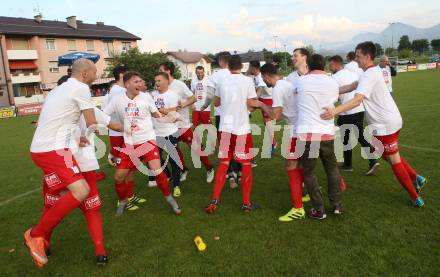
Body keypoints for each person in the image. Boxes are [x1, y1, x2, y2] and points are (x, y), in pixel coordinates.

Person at [321, 41, 427, 207]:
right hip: (386, 121)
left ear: (367, 56)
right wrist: (331, 91)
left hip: (385, 123)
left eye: (358, 56)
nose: (355, 59)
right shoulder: (367, 73)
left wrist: (334, 110)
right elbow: (351, 86)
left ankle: (415, 197)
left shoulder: (370, 74)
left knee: (393, 160)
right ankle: (416, 177)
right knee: (387, 154)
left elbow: (357, 100)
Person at [25, 58, 98, 268]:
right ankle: (35, 235)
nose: (97, 75)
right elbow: (92, 123)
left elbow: (56, 120)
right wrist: (91, 133)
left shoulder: (59, 89)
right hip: (52, 150)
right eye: (94, 71)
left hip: (48, 148)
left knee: (74, 191)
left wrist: (76, 138)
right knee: (81, 191)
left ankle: (40, 237)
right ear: (85, 74)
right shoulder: (82, 88)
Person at [42, 107, 123, 265]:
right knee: (90, 210)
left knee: (52, 207)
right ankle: (100, 252)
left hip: (61, 166)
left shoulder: (55, 108)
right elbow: (115, 126)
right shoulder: (88, 108)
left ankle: (43, 243)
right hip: (81, 165)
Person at [103, 71, 182, 216]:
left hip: (147, 141)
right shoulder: (117, 100)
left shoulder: (146, 98)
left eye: (141, 81)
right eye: (136, 82)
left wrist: (171, 117)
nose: (140, 84)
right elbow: (102, 116)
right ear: (127, 84)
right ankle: (122, 201)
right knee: (118, 177)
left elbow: (158, 116)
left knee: (157, 171)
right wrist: (119, 127)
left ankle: (171, 200)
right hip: (130, 145)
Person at [205, 55, 270, 213]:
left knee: (224, 164)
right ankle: (246, 203)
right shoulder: (247, 81)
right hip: (241, 129)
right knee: (246, 164)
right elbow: (251, 103)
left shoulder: (222, 81)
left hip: (225, 128)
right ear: (241, 66)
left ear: (228, 66)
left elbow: (216, 102)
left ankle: (214, 201)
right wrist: (262, 105)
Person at [296, 54, 342, 220]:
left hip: (307, 134)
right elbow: (336, 98)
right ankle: (336, 205)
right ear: (324, 65)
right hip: (327, 133)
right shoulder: (332, 82)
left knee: (309, 172)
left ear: (308, 64)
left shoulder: (301, 81)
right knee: (332, 169)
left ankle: (319, 208)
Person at [261, 63, 305, 221]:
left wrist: (261, 105)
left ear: (266, 76)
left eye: (262, 77)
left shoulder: (278, 88)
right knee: (302, 164)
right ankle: (306, 193)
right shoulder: (287, 83)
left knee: (290, 166)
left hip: (296, 131)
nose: (263, 80)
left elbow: (276, 116)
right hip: (303, 128)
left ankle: (298, 208)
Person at [159, 62, 214, 184]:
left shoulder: (179, 84)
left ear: (168, 71)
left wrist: (182, 104)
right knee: (174, 150)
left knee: (195, 148)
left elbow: (193, 97)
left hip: (182, 124)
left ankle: (209, 169)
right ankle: (183, 170)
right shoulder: (161, 86)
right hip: (169, 126)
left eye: (161, 70)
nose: (159, 73)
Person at [329, 55, 380, 175]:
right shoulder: (352, 74)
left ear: (337, 64)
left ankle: (349, 164)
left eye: (331, 65)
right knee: (360, 136)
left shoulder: (335, 77)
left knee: (346, 140)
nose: (330, 67)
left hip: (346, 111)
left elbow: (334, 96)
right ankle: (371, 160)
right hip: (359, 109)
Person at [105, 65, 146, 208]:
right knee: (121, 172)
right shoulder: (118, 91)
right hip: (119, 134)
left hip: (126, 134)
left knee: (131, 168)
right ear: (122, 76)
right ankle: (123, 200)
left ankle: (130, 195)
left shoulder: (118, 90)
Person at [151, 72, 183, 197]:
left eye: (159, 80)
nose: (156, 83)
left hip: (170, 132)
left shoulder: (172, 95)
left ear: (166, 81)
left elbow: (172, 113)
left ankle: (176, 185)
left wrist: (157, 109)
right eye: (155, 81)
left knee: (174, 160)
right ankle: (168, 175)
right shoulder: (152, 95)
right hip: (156, 133)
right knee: (154, 160)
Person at [248, 60, 277, 155]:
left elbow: (258, 93)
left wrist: (249, 99)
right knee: (266, 123)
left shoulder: (261, 77)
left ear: (253, 67)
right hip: (262, 99)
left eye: (249, 67)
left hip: (268, 100)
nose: (248, 69)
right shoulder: (255, 77)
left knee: (268, 123)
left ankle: (273, 143)